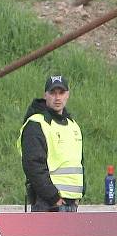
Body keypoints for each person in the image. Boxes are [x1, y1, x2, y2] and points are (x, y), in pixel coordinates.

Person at [19, 75, 84, 212]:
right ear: (45, 95)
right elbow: (33, 165)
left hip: (71, 203)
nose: (57, 97)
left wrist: (81, 192)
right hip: (48, 204)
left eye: (61, 93)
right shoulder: (36, 124)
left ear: (68, 95)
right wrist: (53, 197)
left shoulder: (73, 125)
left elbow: (79, 162)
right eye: (53, 93)